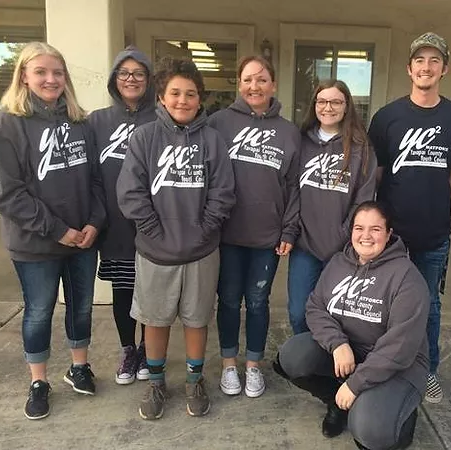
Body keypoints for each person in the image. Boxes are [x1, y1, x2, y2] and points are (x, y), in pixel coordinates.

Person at [0, 42, 106, 420]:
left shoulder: (80, 122)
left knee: (81, 307)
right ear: (24, 75)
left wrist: (93, 223)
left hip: (83, 240)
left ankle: (79, 366)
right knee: (38, 312)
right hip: (35, 243)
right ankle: (38, 381)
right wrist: (58, 230)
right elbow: (5, 192)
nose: (51, 79)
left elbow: (97, 180)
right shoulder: (7, 123)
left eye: (57, 72)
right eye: (41, 72)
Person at [116, 56, 235, 420]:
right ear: (162, 97)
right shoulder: (145, 137)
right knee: (156, 319)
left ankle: (194, 380)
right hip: (155, 252)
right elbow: (130, 191)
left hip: (201, 251)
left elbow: (223, 192)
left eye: (191, 94)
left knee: (197, 319)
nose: (183, 100)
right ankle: (155, 382)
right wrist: (153, 230)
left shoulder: (212, 141)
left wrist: (203, 230)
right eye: (176, 93)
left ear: (200, 99)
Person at [367, 32, 451, 403]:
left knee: (428, 304)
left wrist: (432, 201)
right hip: (393, 234)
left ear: (444, 69)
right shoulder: (387, 117)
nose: (426, 67)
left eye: (434, 61)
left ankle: (426, 371)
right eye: (419, 60)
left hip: (433, 235)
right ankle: (382, 366)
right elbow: (378, 173)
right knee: (383, 303)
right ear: (409, 68)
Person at [274, 201, 429, 450]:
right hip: (351, 353)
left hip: (398, 367)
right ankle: (338, 403)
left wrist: (355, 384)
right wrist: (337, 344)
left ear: (389, 234)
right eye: (359, 228)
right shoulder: (338, 263)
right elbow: (315, 307)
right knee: (292, 356)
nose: (365, 236)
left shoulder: (406, 278)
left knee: (370, 430)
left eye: (375, 229)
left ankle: (400, 418)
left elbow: (399, 348)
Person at [207, 55, 300, 398]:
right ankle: (230, 365)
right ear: (239, 83)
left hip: (267, 237)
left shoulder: (289, 132)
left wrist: (289, 230)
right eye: (247, 79)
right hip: (227, 235)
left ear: (273, 84)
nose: (254, 86)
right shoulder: (217, 124)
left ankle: (253, 366)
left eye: (261, 80)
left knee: (258, 302)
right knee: (229, 301)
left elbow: (295, 187)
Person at [89, 46, 156, 385]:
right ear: (115, 79)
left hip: (153, 224)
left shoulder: (161, 118)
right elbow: (90, 176)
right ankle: (128, 349)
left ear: (148, 80)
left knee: (151, 291)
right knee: (124, 289)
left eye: (138, 73)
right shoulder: (97, 121)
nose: (131, 79)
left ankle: (148, 347)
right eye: (124, 73)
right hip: (114, 223)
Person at [288, 79, 376, 335]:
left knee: (336, 315)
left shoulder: (362, 147)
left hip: (342, 248)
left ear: (346, 106)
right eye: (322, 101)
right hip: (304, 245)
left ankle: (332, 369)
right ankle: (305, 367)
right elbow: (291, 189)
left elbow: (364, 198)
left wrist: (345, 234)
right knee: (298, 313)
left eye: (336, 101)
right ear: (314, 105)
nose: (328, 107)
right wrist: (292, 230)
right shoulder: (300, 142)